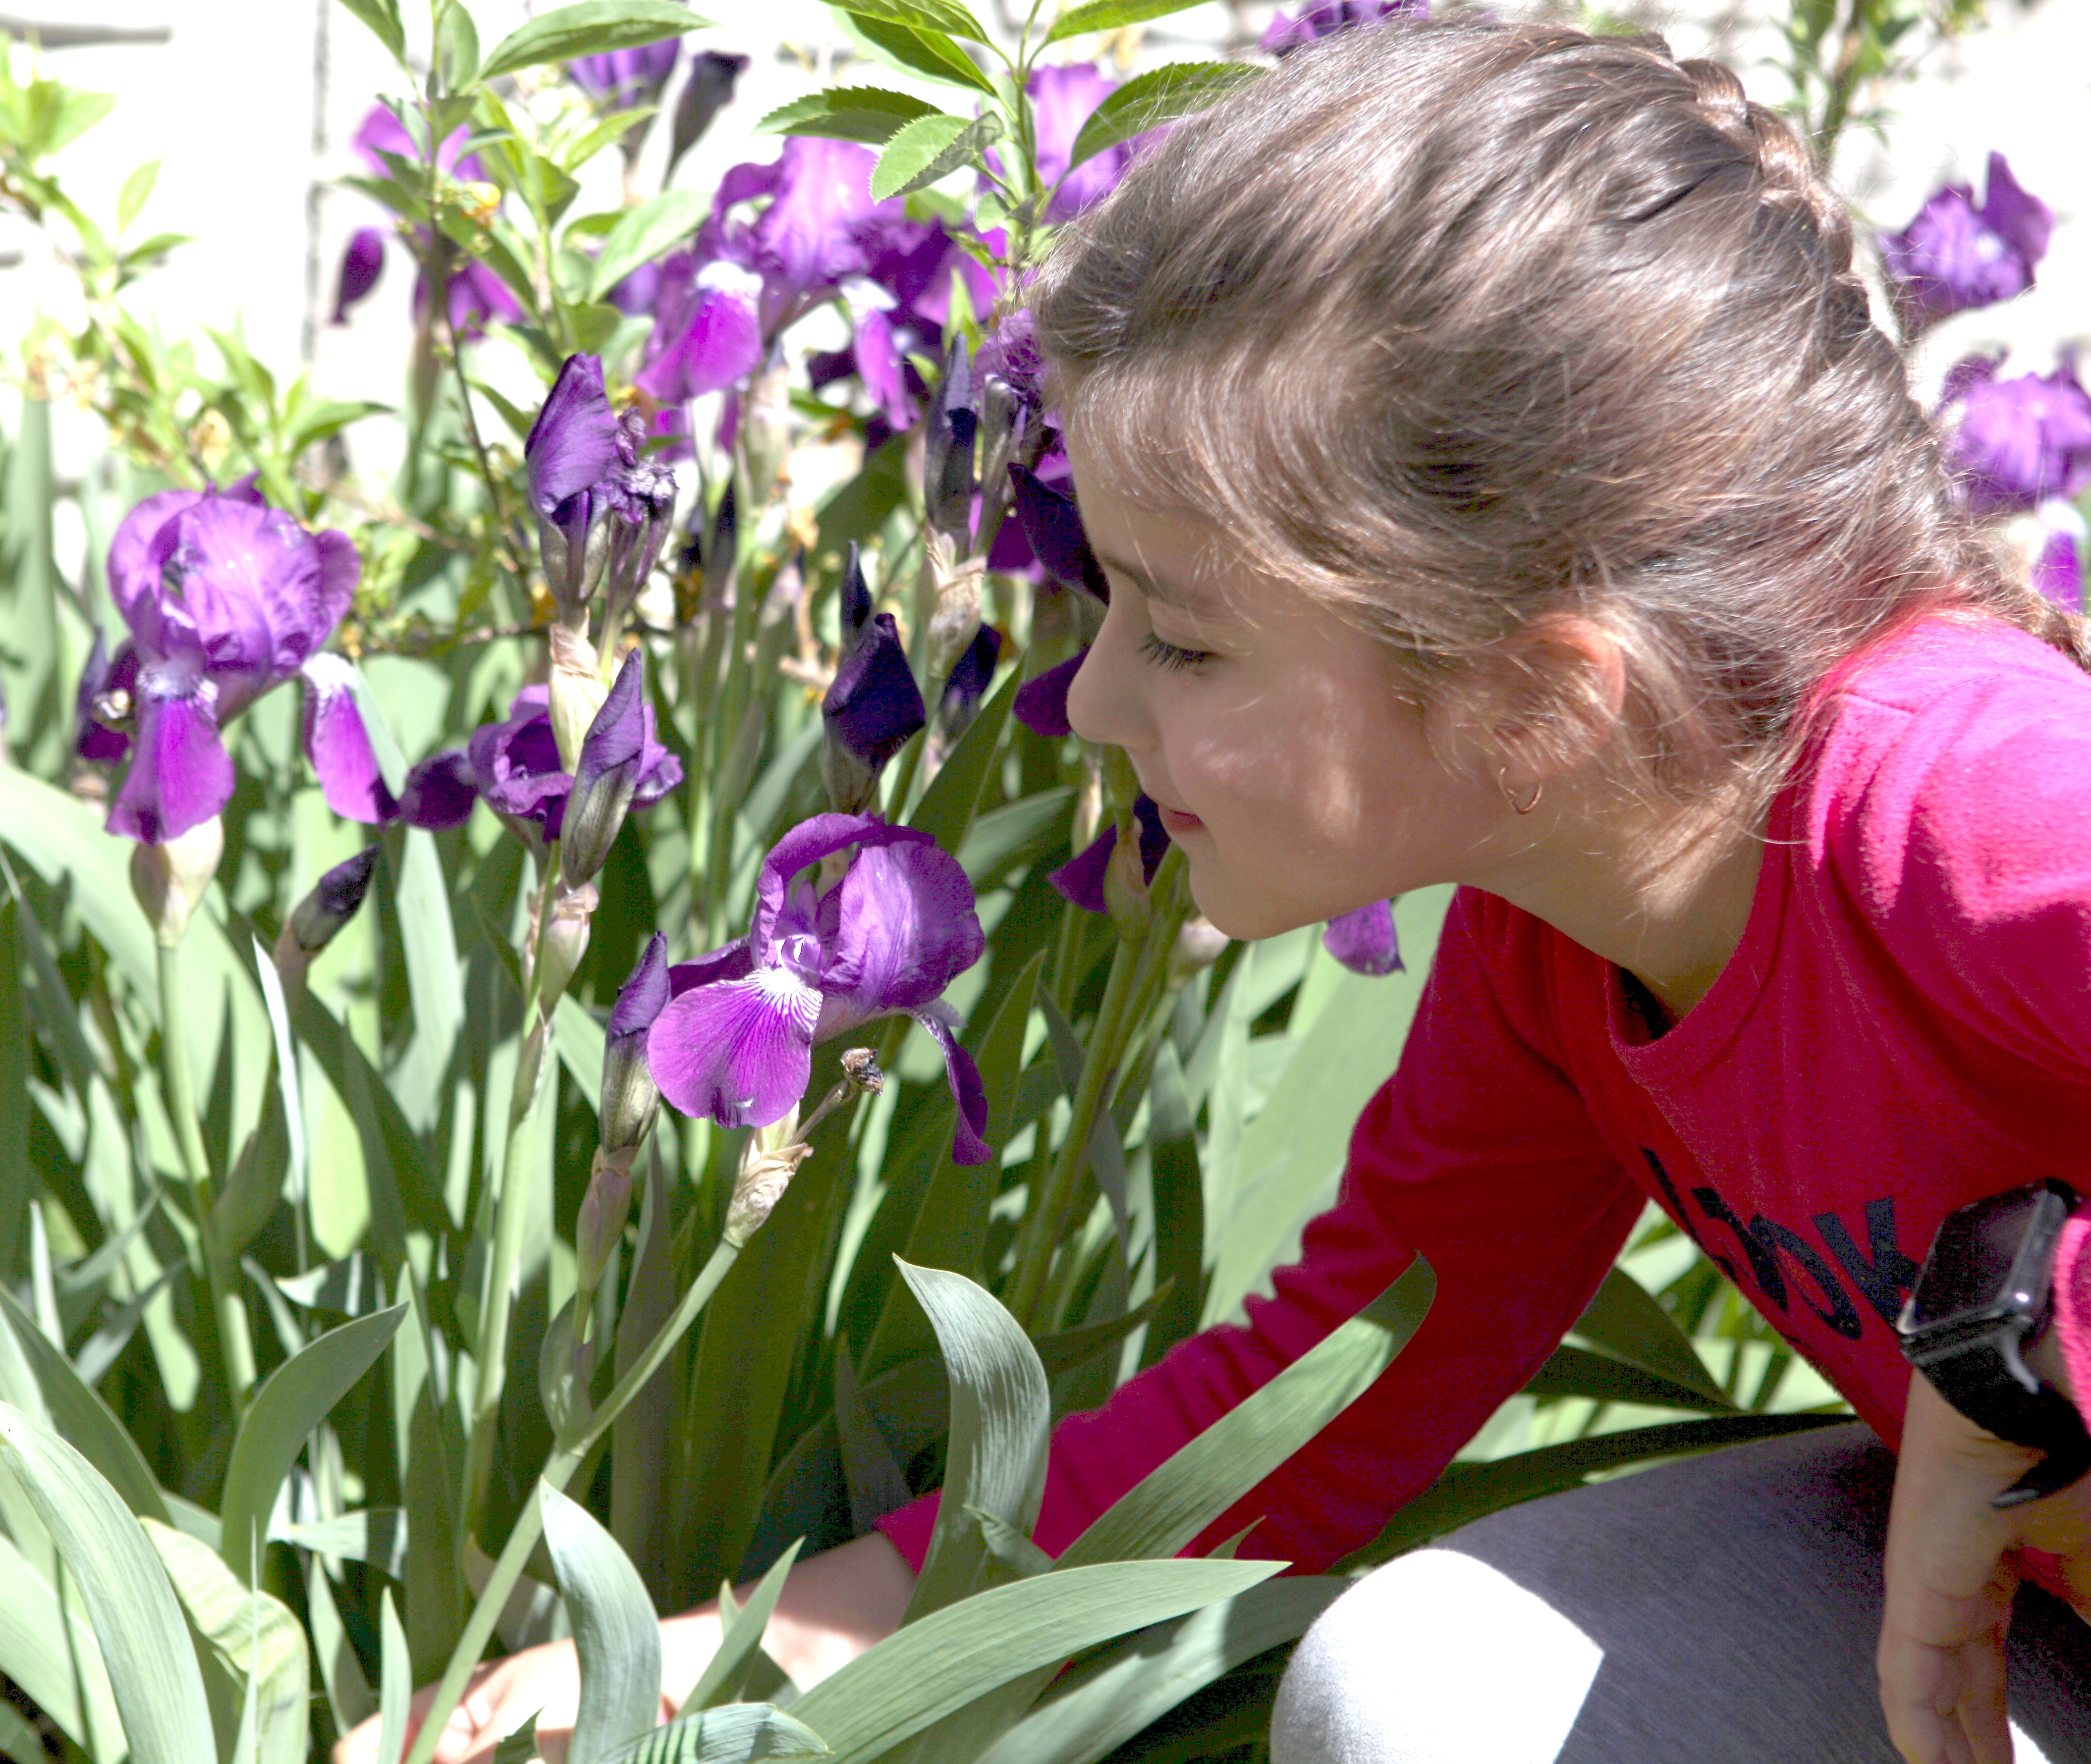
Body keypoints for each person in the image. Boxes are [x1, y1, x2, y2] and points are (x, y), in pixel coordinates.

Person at [337, 16, 2091, 1764]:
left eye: (1180, 635)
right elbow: (1319, 1395)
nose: (1093, 704)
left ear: (1547, 699)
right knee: (1420, 1694)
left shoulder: (1968, 798)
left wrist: (2024, 1362)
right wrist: (742, 1646)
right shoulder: (1556, 946)